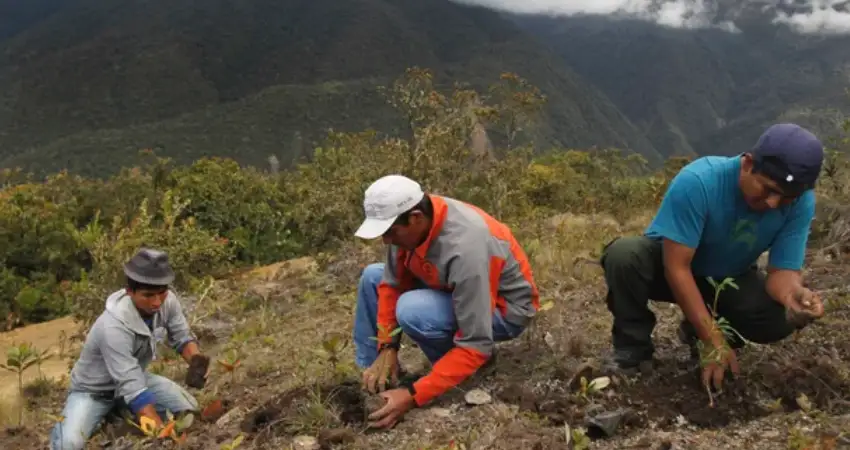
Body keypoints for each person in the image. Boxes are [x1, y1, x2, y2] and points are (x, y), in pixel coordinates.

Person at [599, 123, 826, 391]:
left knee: (777, 321)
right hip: (667, 268)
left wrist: (793, 295)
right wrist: (712, 338)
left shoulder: (801, 202)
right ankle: (633, 349)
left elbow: (781, 272)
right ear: (747, 164)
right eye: (767, 189)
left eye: (786, 198)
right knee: (624, 256)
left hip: (728, 276)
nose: (773, 203)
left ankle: (697, 328)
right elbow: (677, 267)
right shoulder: (699, 181)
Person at [352, 174, 540, 429]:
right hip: (452, 285)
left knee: (412, 310)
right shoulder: (411, 223)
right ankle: (374, 377)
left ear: (416, 217)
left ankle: (461, 369)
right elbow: (391, 284)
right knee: (372, 277)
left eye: (390, 232)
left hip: (503, 309)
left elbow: (476, 344)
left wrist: (413, 395)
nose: (386, 241)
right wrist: (387, 346)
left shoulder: (465, 247)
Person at [51, 248, 209, 450]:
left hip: (135, 381)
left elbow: (182, 337)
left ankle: (118, 415)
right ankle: (98, 415)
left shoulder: (167, 301)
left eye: (162, 293)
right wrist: (162, 439)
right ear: (129, 291)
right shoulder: (113, 327)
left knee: (188, 408)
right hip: (94, 392)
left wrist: (197, 362)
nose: (156, 302)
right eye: (148, 295)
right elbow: (132, 386)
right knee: (69, 444)